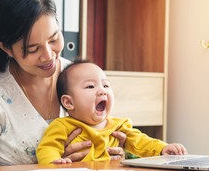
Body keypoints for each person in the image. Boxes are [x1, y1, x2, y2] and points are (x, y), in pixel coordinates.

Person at [0, 0, 125, 169]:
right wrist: (53, 164)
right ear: (6, 48)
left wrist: (114, 153)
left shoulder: (82, 77)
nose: (49, 56)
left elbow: (105, 131)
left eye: (54, 39)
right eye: (33, 49)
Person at [36, 60, 188, 165]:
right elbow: (48, 147)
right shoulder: (63, 126)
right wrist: (53, 163)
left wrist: (162, 149)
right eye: (90, 86)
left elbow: (141, 141)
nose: (102, 91)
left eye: (106, 85)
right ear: (69, 102)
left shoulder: (118, 125)